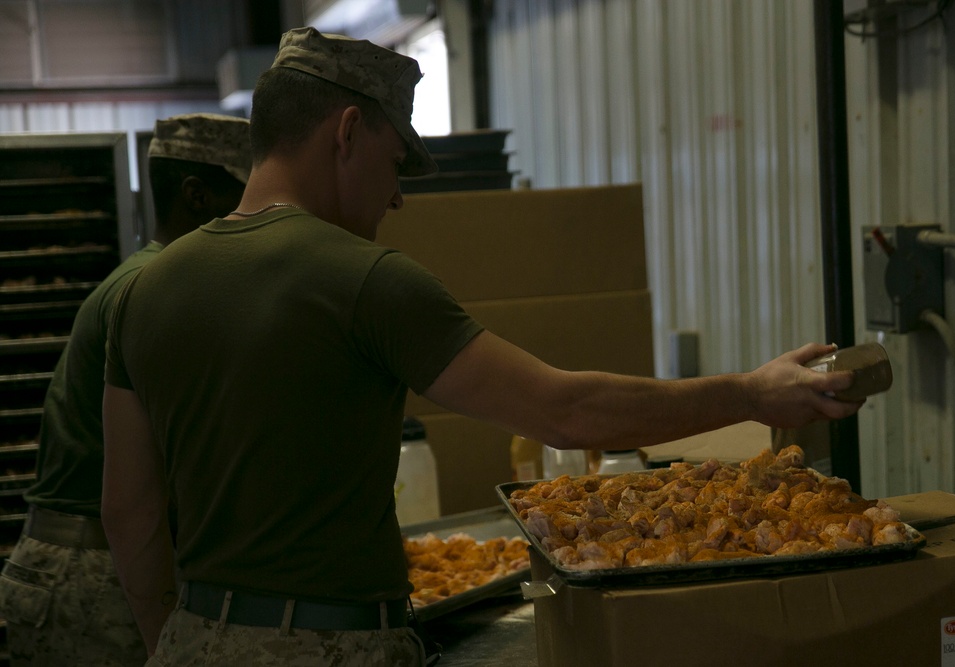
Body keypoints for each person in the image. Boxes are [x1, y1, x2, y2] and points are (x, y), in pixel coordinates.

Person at [100, 27, 864, 666]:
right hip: (331, 645)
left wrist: (177, 639)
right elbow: (566, 411)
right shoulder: (364, 281)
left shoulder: (142, 290)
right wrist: (751, 392)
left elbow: (130, 512)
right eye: (396, 161)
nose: (397, 196)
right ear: (347, 132)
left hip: (189, 641)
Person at [0, 113, 251, 666]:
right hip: (92, 573)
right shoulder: (160, 288)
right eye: (248, 196)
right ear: (198, 194)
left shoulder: (153, 276)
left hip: (84, 563)